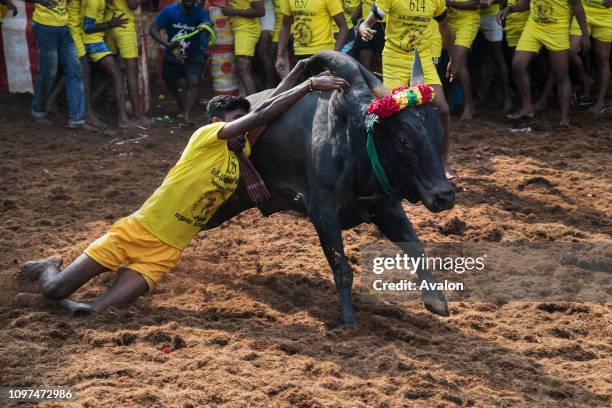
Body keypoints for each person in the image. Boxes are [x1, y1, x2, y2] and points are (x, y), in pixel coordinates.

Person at [17, 61, 348, 315]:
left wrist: (298, 71)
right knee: (56, 290)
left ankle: (81, 305)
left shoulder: (240, 151)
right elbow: (261, 112)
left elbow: (267, 109)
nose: (240, 128)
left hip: (166, 252)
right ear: (217, 122)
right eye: (234, 119)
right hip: (137, 231)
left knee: (100, 311)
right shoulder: (206, 138)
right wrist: (309, 84)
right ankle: (49, 266)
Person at [359, 0, 459, 179]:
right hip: (395, 59)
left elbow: (444, 26)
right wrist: (363, 28)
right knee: (390, 112)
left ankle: (443, 162)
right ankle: (387, 164)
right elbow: (368, 21)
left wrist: (453, 58)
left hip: (423, 59)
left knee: (443, 109)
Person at [498, 0, 590, 125]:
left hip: (557, 30)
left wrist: (584, 35)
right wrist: (510, 9)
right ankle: (527, 108)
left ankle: (564, 117)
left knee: (561, 75)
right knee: (518, 64)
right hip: (534, 28)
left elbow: (578, 7)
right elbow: (526, 3)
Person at [149, 0, 212, 125]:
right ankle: (180, 101)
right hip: (173, 56)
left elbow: (207, 24)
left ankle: (186, 116)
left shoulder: (201, 13)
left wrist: (206, 26)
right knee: (169, 82)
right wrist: (167, 44)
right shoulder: (169, 11)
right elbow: (152, 30)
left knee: (194, 82)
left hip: (194, 55)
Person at [26, 0, 87, 128]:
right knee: (49, 72)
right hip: (45, 26)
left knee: (75, 70)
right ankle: (38, 112)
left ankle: (76, 119)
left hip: (64, 27)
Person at [82, 0, 135, 128]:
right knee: (116, 75)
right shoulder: (95, 2)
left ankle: (89, 109)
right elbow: (88, 27)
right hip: (92, 41)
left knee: (79, 74)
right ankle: (123, 119)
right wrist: (110, 24)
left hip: (95, 38)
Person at [275, 0, 349, 73]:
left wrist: (334, 57)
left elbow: (343, 27)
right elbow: (285, 25)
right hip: (299, 56)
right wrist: (280, 55)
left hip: (323, 55)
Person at [106, 0, 148, 125]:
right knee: (132, 71)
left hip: (109, 22)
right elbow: (133, 4)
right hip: (123, 24)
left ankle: (100, 104)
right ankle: (136, 115)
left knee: (108, 68)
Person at [569, 0, 611, 114]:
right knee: (571, 51)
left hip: (606, 15)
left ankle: (600, 102)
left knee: (602, 59)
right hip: (584, 11)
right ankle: (586, 80)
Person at [222, 0, 264, 95]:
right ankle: (258, 99)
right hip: (236, 28)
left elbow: (260, 11)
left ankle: (252, 104)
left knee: (243, 68)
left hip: (246, 29)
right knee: (248, 70)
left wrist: (234, 11)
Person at [447, 0, 480, 120]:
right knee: (459, 64)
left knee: (457, 62)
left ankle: (468, 105)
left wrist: (449, 3)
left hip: (467, 21)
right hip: (449, 21)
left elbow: (475, 4)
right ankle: (464, 105)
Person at [478, 0, 512, 113]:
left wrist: (491, 1)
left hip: (491, 16)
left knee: (498, 58)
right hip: (468, 16)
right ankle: (483, 93)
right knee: (477, 57)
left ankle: (507, 98)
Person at [355, 0, 385, 70]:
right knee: (363, 62)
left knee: (379, 62)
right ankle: (368, 80)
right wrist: (353, 18)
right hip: (366, 23)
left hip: (383, 23)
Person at [255, 0, 278, 88]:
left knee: (262, 52)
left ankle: (272, 87)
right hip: (254, 19)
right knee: (256, 57)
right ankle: (263, 87)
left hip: (267, 16)